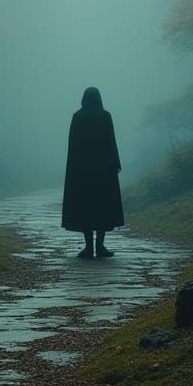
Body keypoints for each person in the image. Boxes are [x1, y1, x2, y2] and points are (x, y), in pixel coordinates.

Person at [61, 86, 124, 258]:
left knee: (85, 208)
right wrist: (115, 163)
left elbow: (73, 146)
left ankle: (89, 247)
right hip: (103, 172)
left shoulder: (78, 117)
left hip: (83, 173)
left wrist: (73, 170)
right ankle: (100, 246)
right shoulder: (105, 116)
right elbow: (111, 142)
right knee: (103, 208)